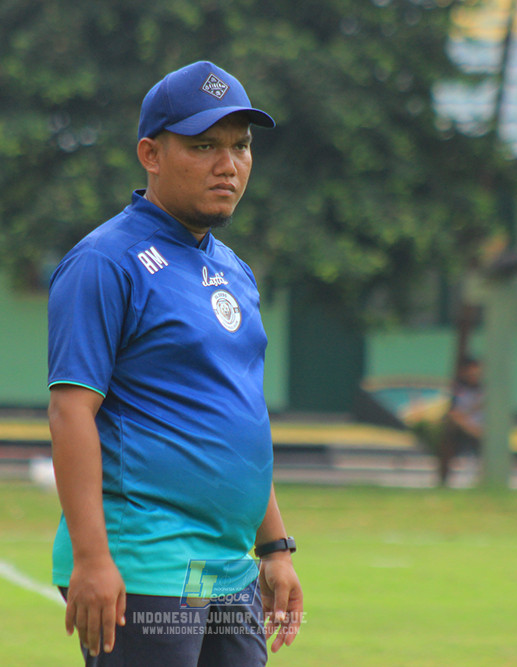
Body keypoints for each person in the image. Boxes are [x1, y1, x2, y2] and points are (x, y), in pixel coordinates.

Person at [46, 61, 302, 666]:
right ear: (150, 154)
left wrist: (275, 547)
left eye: (241, 146)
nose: (228, 164)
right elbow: (70, 412)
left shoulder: (234, 271)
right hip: (145, 557)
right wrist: (92, 559)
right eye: (203, 146)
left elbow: (235, 416)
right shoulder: (106, 262)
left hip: (225, 566)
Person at [436, 356, 484, 486]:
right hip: (465, 429)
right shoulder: (459, 390)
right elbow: (454, 413)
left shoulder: (484, 390)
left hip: (480, 427)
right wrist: (470, 427)